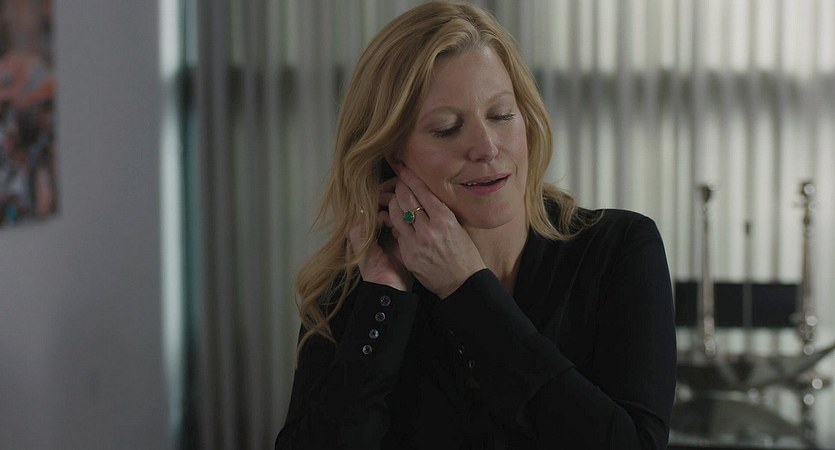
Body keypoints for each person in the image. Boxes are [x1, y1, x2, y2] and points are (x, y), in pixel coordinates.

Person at [276, 2, 676, 449]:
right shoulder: (361, 286)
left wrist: (467, 289)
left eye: (501, 115)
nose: (486, 147)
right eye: (446, 128)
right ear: (393, 154)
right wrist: (384, 296)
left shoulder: (620, 248)